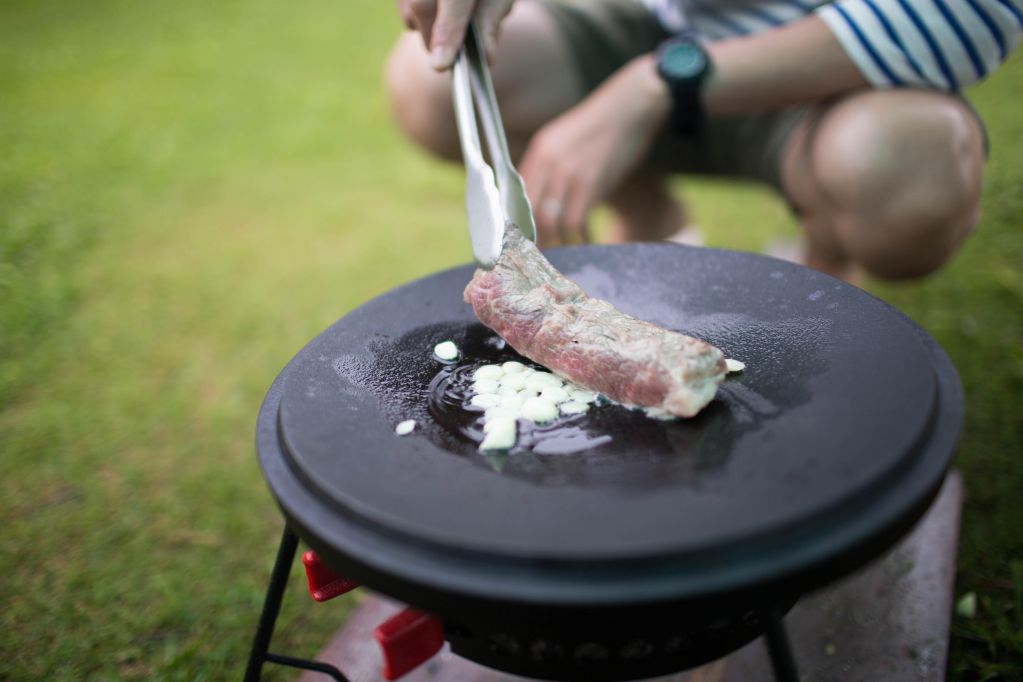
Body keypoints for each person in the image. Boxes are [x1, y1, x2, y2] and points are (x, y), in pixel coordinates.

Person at [386, 0, 1019, 283]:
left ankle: (825, 262)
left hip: (838, 70)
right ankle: (649, 215)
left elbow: (975, 10)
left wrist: (652, 87)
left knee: (906, 172)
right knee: (430, 81)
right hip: (661, 20)